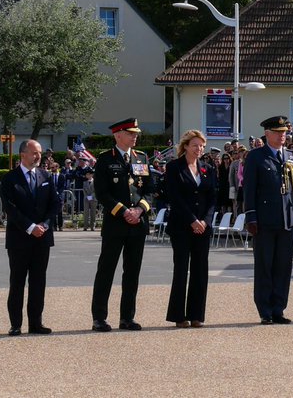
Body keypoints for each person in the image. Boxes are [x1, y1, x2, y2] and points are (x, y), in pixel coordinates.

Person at [244, 115, 293, 325]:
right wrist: (251, 216)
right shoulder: (256, 157)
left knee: (283, 267)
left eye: (285, 133)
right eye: (278, 133)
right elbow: (249, 189)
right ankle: (265, 310)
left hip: (286, 220)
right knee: (264, 266)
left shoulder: (291, 156)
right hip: (264, 220)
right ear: (267, 134)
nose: (283, 136)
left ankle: (279, 308)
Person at [91, 118, 152, 332]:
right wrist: (124, 210)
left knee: (132, 272)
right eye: (130, 133)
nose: (135, 136)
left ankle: (127, 317)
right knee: (106, 270)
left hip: (138, 224)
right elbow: (102, 193)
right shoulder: (106, 159)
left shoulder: (141, 158)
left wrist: (140, 209)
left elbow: (150, 190)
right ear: (118, 135)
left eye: (136, 133)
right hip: (116, 223)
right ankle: (99, 317)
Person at [0, 139, 57, 336]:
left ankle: (36, 323)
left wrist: (45, 225)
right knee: (17, 281)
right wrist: (30, 227)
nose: (38, 156)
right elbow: (11, 209)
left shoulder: (45, 176)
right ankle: (16, 323)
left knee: (38, 281)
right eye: (34, 153)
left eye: (39, 153)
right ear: (23, 154)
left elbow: (54, 205)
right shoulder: (10, 179)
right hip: (19, 239)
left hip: (42, 238)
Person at [163, 129, 216, 327]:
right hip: (181, 226)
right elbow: (175, 197)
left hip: (203, 227)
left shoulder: (207, 168)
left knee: (200, 270)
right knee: (182, 269)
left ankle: (196, 315)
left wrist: (205, 221)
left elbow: (212, 198)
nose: (199, 149)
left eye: (202, 146)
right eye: (195, 145)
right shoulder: (174, 167)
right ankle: (178, 315)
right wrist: (192, 220)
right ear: (185, 146)